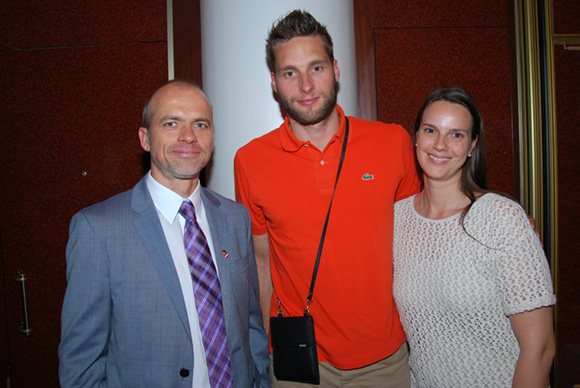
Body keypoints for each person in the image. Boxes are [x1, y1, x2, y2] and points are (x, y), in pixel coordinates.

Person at [234, 10, 421, 387]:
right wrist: (264, 347)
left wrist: (482, 216)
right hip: (297, 362)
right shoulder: (250, 161)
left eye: (316, 68)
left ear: (335, 70)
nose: (305, 85)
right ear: (274, 83)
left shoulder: (392, 142)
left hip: (384, 361)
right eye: (290, 73)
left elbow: (422, 233)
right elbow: (261, 261)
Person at [59, 79, 270, 388]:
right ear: (145, 139)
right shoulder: (97, 230)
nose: (188, 136)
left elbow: (250, 324)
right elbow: (82, 364)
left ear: (212, 138)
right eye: (171, 123)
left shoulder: (235, 218)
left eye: (200, 124)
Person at [392, 86, 556, 387]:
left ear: (472, 145)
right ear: (416, 136)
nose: (440, 145)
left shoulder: (500, 218)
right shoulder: (396, 219)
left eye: (456, 135)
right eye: (431, 130)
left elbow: (540, 349)